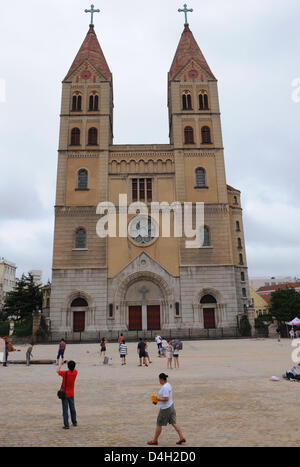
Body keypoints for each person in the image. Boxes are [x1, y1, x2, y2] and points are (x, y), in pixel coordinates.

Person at [147, 373, 186, 446]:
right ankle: (181, 437)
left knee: (159, 424)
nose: (159, 381)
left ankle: (155, 440)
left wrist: (157, 399)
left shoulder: (164, 387)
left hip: (165, 409)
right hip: (171, 406)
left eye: (159, 379)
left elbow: (166, 399)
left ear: (161, 379)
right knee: (174, 423)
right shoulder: (168, 384)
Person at [57, 360, 78, 429]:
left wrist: (60, 364)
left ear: (68, 367)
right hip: (71, 393)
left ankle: (66, 425)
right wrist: (68, 362)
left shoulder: (65, 373)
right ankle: (74, 422)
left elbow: (58, 371)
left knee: (65, 410)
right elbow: (73, 366)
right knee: (72, 408)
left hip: (65, 394)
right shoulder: (75, 372)